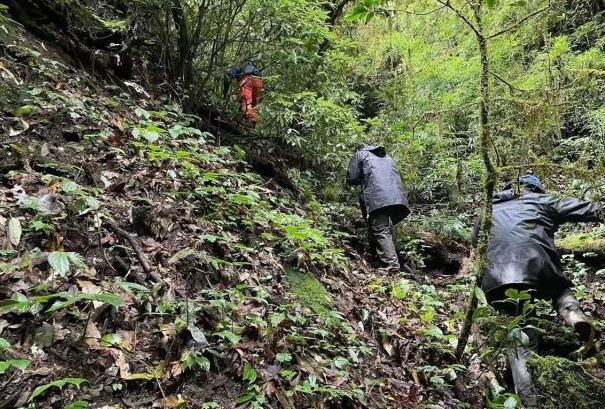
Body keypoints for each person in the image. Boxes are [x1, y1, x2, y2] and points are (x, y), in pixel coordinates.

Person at [472, 174, 602, 407]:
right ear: (537, 189)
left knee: (519, 340)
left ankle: (528, 399)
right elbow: (588, 209)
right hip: (538, 269)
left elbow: (475, 242)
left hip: (495, 280)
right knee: (560, 291)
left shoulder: (489, 208)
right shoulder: (543, 201)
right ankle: (574, 316)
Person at [347, 143, 410, 271]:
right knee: (382, 227)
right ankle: (378, 258)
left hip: (378, 196)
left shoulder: (360, 154)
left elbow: (353, 177)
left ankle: (392, 266)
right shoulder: (386, 156)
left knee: (381, 229)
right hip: (395, 196)